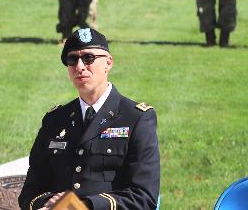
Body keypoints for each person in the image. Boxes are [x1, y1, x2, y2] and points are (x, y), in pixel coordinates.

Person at [19, 28, 160, 210]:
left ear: (108, 63)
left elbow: (144, 197)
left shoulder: (136, 118)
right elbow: (30, 192)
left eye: (88, 58)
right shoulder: (54, 120)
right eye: (72, 59)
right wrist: (48, 204)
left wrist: (82, 206)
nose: (79, 67)